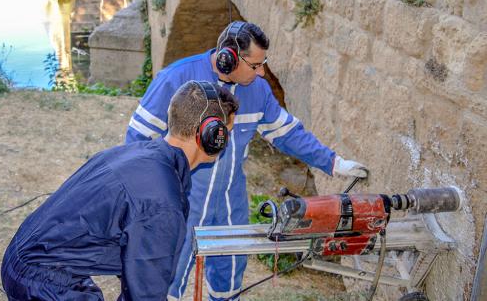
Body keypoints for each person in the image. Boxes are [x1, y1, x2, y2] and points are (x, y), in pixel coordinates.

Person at [125, 21, 369, 300]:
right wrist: (147, 200)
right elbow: (136, 142)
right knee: (168, 279)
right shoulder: (176, 79)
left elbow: (287, 134)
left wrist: (335, 163)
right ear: (228, 57)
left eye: (263, 64)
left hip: (230, 202)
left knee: (228, 280)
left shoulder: (258, 90)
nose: (262, 72)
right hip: (181, 200)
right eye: (255, 65)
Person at [1, 81, 240, 301]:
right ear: (211, 136)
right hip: (41, 279)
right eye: (226, 132)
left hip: (29, 259)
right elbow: (145, 294)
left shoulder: (137, 154)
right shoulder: (162, 202)